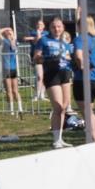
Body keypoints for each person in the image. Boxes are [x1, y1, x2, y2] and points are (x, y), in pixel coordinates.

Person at [32, 16, 74, 149]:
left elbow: (69, 57)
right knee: (58, 107)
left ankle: (60, 138)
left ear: (63, 28)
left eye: (59, 26)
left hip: (65, 73)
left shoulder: (65, 42)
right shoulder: (44, 40)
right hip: (51, 74)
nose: (56, 29)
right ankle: (56, 139)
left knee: (65, 106)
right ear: (49, 28)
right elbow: (36, 58)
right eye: (54, 27)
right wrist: (42, 57)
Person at [72, 15, 95, 143]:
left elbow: (79, 56)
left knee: (86, 113)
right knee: (90, 111)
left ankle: (92, 139)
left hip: (83, 79)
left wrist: (81, 67)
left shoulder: (80, 39)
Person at [0, 27, 23, 116]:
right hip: (13, 68)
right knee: (15, 90)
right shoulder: (15, 41)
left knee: (9, 90)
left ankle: (12, 110)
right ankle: (19, 108)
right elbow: (14, 47)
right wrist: (12, 33)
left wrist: (6, 28)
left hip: (7, 68)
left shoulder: (6, 41)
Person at [24, 18, 48, 102]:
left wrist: (33, 38)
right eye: (38, 24)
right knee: (39, 76)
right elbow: (36, 41)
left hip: (45, 56)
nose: (39, 26)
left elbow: (40, 40)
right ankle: (36, 95)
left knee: (44, 76)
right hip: (36, 56)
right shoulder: (33, 32)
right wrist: (35, 36)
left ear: (44, 26)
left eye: (41, 24)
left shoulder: (47, 33)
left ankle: (42, 94)